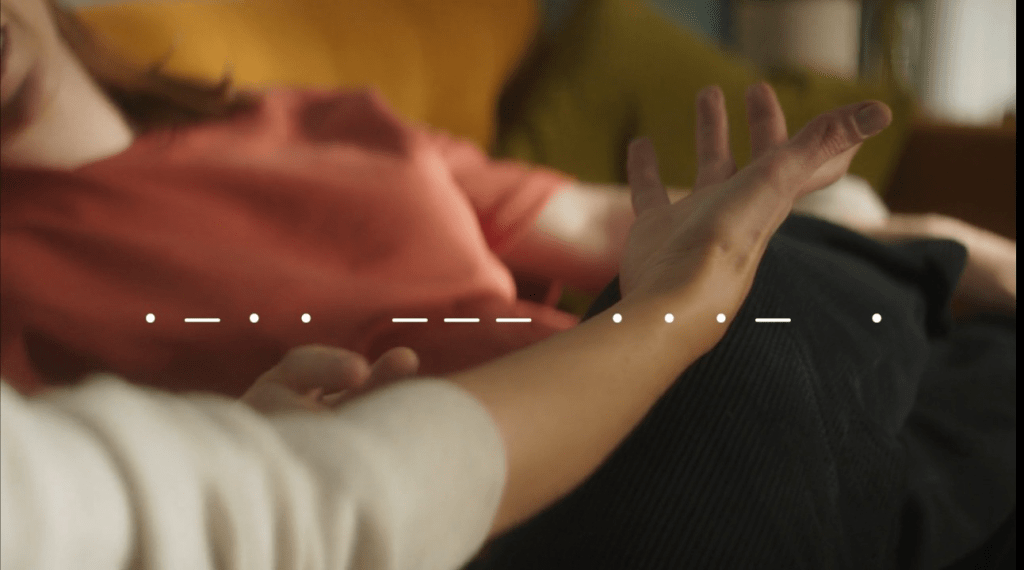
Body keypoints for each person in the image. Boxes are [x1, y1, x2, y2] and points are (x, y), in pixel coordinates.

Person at [1, 0, 1015, 568]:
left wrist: (949, 241)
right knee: (758, 350)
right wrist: (244, 436)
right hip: (474, 519)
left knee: (772, 296)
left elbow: (608, 226)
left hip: (638, 378)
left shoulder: (321, 121)